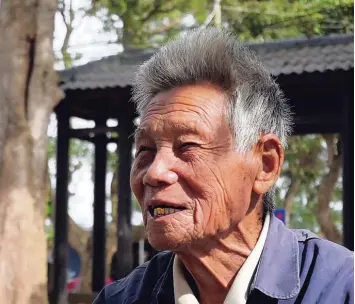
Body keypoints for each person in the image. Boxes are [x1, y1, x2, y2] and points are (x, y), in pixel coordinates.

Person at [94, 28, 353, 304]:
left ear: (265, 165)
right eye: (145, 150)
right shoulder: (120, 299)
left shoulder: (340, 288)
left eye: (188, 146)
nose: (154, 173)